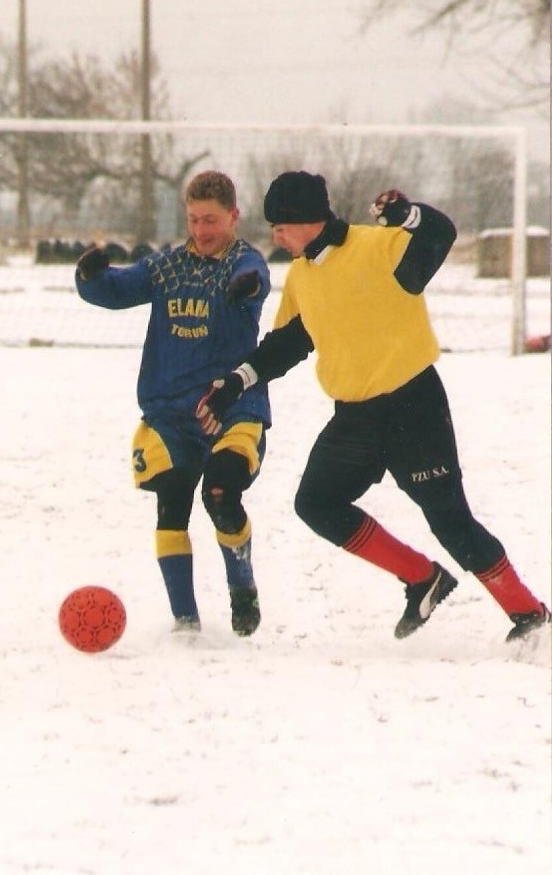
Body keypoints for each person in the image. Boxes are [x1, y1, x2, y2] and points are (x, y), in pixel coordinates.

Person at [196, 172, 550, 643]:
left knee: (450, 520)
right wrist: (233, 384)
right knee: (316, 503)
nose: (276, 237)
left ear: (306, 220)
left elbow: (440, 233)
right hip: (354, 419)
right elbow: (285, 344)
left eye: (280, 226)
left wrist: (408, 216)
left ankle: (528, 613)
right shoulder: (302, 274)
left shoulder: (378, 246)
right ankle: (423, 578)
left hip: (413, 408)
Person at [75, 170, 271, 635]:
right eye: (193, 220)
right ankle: (185, 621)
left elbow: (255, 278)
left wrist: (245, 289)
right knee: (172, 505)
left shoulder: (245, 261)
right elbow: (116, 290)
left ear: (234, 217)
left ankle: (242, 585)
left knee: (221, 497)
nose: (201, 231)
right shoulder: (166, 267)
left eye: (211, 221)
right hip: (169, 414)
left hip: (232, 409)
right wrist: (90, 275)